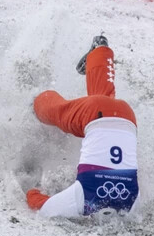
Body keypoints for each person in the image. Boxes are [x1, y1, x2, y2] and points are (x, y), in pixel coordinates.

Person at [25, 35, 139, 218]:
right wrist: (29, 189)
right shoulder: (79, 200)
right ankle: (33, 101)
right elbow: (41, 206)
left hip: (127, 116)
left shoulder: (133, 205)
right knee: (60, 113)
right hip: (94, 114)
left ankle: (100, 53)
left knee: (105, 98)